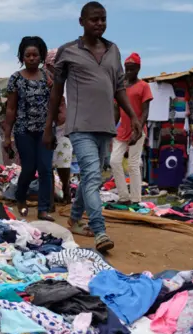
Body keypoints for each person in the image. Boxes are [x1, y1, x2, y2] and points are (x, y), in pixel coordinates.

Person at [45, 1, 141, 252]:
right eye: (94, 19)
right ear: (81, 22)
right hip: (79, 126)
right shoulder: (68, 51)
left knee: (90, 177)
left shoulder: (113, 50)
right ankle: (99, 231)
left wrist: (132, 116)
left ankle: (75, 219)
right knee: (93, 175)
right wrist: (48, 128)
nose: (99, 24)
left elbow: (119, 87)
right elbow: (56, 93)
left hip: (106, 126)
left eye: (103, 19)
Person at [4, 36, 55, 221]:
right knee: (28, 168)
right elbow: (10, 108)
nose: (32, 58)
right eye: (28, 55)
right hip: (23, 130)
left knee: (45, 169)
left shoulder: (48, 78)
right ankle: (21, 197)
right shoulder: (15, 79)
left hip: (45, 130)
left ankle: (43, 209)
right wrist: (6, 136)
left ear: (41, 56)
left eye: (35, 55)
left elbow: (56, 103)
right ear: (22, 57)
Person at [110, 52, 153, 205]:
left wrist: (138, 131)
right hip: (122, 129)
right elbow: (116, 109)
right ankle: (123, 196)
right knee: (114, 161)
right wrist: (110, 128)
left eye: (132, 69)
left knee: (133, 164)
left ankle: (135, 198)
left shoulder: (144, 86)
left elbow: (145, 112)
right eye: (126, 69)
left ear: (138, 68)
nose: (128, 72)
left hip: (137, 130)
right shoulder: (120, 87)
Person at [44, 48, 73, 208]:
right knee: (46, 163)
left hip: (63, 127)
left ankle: (66, 190)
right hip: (46, 126)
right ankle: (50, 199)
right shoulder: (43, 79)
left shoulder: (67, 78)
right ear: (48, 64)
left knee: (63, 162)